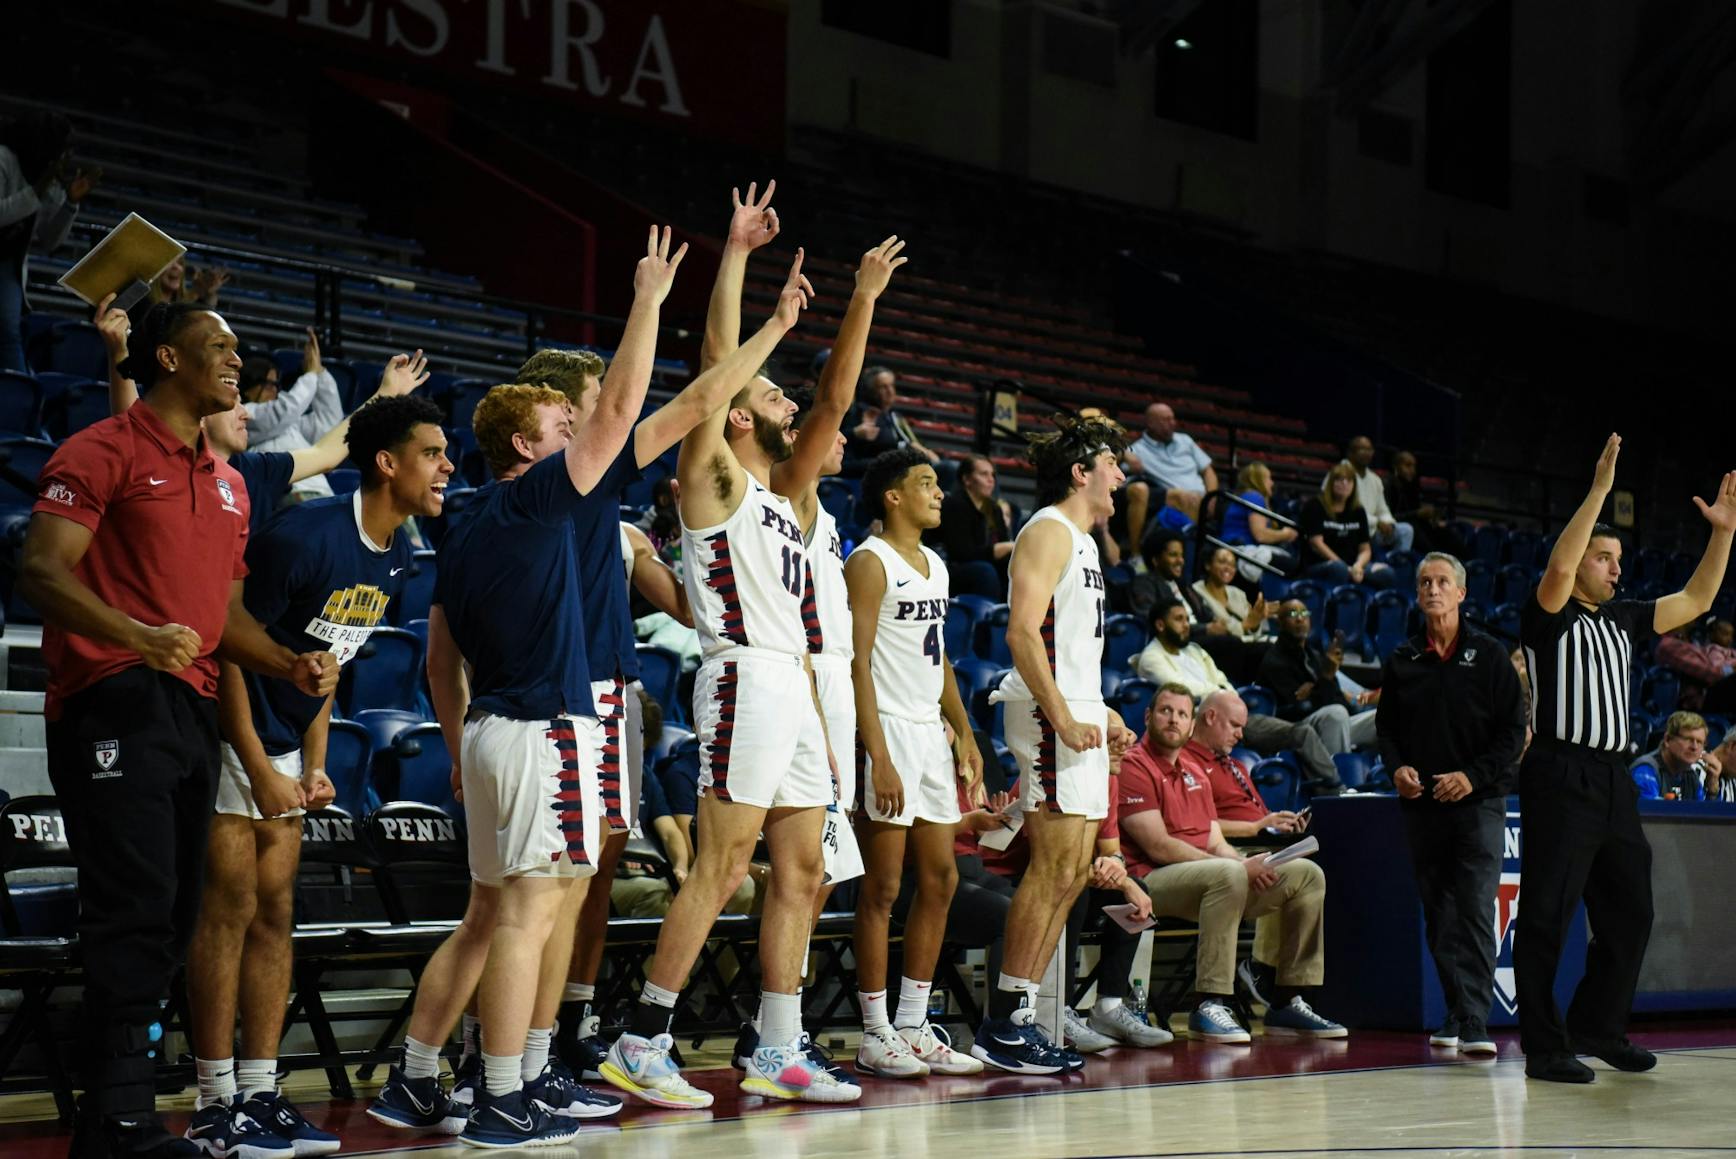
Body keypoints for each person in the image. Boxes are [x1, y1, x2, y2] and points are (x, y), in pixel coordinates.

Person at [363, 227, 689, 1147]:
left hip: (492, 731)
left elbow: (440, 658)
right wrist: (648, 300)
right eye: (562, 429)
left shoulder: (463, 526)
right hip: (547, 727)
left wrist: (461, 743)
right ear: (525, 444)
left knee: (491, 914)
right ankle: (501, 1091)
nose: (581, 437)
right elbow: (624, 407)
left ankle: (420, 1081)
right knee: (530, 915)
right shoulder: (541, 498)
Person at [19, 301, 339, 1159]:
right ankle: (118, 1118)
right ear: (166, 357)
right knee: (134, 904)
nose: (237, 361)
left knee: (174, 907)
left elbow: (222, 615)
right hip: (112, 698)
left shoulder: (231, 481)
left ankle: (122, 1112)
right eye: (218, 348)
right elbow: (41, 571)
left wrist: (285, 663)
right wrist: (137, 635)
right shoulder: (100, 450)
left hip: (190, 706)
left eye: (238, 349)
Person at [601, 231, 859, 1108]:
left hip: (794, 682)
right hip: (744, 675)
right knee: (723, 862)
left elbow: (807, 399)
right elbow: (718, 362)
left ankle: (777, 1046)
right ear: (737, 415)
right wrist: (746, 268)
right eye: (770, 391)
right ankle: (643, 1036)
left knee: (803, 870)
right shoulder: (712, 477)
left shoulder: (788, 497)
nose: (785, 397)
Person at [183, 395, 450, 1158]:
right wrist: (257, 763)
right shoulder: (302, 536)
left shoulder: (399, 556)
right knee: (228, 907)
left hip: (289, 748)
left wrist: (320, 764)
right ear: (387, 463)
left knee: (275, 912)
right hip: (230, 733)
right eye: (431, 452)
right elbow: (226, 643)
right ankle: (213, 1101)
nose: (446, 465)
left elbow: (327, 663)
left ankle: (262, 1092)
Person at [1514, 435, 1735, 1083]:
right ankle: (1544, 1044)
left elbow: (1696, 601)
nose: (1615, 568)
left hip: (1612, 778)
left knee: (1632, 910)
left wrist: (1723, 534)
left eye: (1617, 558)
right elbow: (1557, 571)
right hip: (1559, 771)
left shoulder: (1627, 619)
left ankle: (1598, 1026)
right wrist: (1600, 491)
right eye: (1603, 557)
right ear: (1580, 560)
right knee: (1548, 913)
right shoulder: (1548, 615)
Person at [971, 415, 1136, 1074]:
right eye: (1111, 464)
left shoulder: (1088, 543)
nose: (1120, 475)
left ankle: (1020, 1018)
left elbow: (1071, 645)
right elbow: (1020, 633)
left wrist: (1102, 708)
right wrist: (1064, 714)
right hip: (1047, 715)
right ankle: (1004, 1023)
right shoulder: (1045, 529)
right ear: (1080, 472)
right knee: (1053, 867)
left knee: (1071, 873)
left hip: (1076, 709)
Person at [847, 448, 985, 1078]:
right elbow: (856, 663)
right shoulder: (868, 563)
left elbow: (941, 658)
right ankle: (874, 1032)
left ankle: (912, 1022)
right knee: (881, 889)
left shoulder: (935, 564)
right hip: (889, 732)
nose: (939, 493)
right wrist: (875, 753)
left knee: (942, 880)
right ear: (892, 497)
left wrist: (964, 730)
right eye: (926, 483)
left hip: (930, 733)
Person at [1102, 686, 1345, 1043]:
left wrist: (1251, 863)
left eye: (1182, 714)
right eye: (1166, 711)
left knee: (1307, 875)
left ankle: (1286, 999)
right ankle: (1209, 1003)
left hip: (1213, 881)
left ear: (1191, 724)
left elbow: (1214, 839)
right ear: (1148, 717)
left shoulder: (1195, 771)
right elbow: (1159, 845)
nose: (1173, 720)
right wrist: (1237, 868)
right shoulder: (1135, 765)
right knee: (1229, 872)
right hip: (1150, 882)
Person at [1376, 552, 1526, 1058]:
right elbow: (1387, 730)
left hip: (1478, 804)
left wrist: (1472, 776)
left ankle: (1477, 1020)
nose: (1433, 589)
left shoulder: (1490, 655)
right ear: (1417, 594)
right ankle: (1457, 1010)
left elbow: (1513, 733)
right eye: (1424, 582)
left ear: (1462, 593)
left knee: (1476, 909)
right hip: (1422, 806)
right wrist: (1396, 769)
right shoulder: (1402, 660)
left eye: (1442, 582)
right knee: (1439, 915)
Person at [1134, 598, 1344, 797]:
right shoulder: (1151, 658)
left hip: (1232, 717)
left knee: (1302, 733)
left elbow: (1222, 679)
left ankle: (1337, 790)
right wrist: (1219, 692)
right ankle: (1337, 793)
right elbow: (1184, 691)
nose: (1187, 625)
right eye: (1179, 619)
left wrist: (1220, 692)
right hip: (1202, 723)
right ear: (1160, 625)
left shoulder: (1194, 650)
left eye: (1187, 619)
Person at [0, 109, 94, 371]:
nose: (66, 157)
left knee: (8, 332)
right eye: (63, 150)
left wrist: (71, 204)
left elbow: (50, 240)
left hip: (9, 261)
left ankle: (19, 391)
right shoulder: (3, 159)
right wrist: (35, 192)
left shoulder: (47, 178)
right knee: (7, 333)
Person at [1259, 599, 1378, 756]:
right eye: (1292, 614)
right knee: (1336, 713)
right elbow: (1298, 709)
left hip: (1334, 723)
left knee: (1386, 715)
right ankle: (1338, 779)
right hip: (1299, 730)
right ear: (1280, 623)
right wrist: (1325, 679)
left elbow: (1335, 699)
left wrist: (1317, 687)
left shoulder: (1314, 655)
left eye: (1304, 613)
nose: (1300, 618)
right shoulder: (1274, 660)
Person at [1119, 402, 1216, 537]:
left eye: (1173, 418)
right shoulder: (1138, 451)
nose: (1173, 423)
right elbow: (1123, 478)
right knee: (1187, 498)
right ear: (1151, 423)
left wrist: (1211, 497)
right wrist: (1125, 456)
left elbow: (1208, 470)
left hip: (1204, 499)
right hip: (1175, 503)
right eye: (1166, 419)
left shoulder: (1185, 440)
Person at [926, 453, 1014, 598]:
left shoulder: (994, 508)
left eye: (992, 475)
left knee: (1015, 568)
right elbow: (961, 554)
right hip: (951, 568)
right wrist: (997, 550)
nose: (991, 480)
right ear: (967, 479)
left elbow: (1004, 543)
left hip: (986, 565)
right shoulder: (953, 505)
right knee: (985, 571)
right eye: (984, 474)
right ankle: (983, 618)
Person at [1300, 463, 1393, 588]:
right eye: (1339, 480)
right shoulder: (1315, 505)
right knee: (1338, 569)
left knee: (1387, 573)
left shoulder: (1358, 511)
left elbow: (1365, 548)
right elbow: (1317, 543)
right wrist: (1344, 567)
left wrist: (1358, 566)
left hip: (1353, 566)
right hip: (1323, 564)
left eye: (1349, 481)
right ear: (1330, 483)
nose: (1345, 484)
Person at [843, 365, 941, 476]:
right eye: (883, 387)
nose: (890, 391)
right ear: (870, 391)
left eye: (891, 385)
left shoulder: (894, 415)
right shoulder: (859, 412)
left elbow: (907, 441)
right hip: (870, 469)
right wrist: (855, 433)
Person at [1325, 437, 1413, 553]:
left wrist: (1389, 523)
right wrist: (1377, 522)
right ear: (1351, 452)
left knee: (1406, 530)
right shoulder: (1339, 474)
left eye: (1370, 449)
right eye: (1362, 449)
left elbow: (1382, 509)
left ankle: (1395, 559)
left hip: (1374, 531)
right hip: (1348, 528)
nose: (1367, 453)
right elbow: (1346, 509)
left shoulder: (1375, 479)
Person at [1220, 462, 1299, 578]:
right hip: (1238, 549)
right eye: (1269, 478)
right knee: (1295, 566)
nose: (1272, 483)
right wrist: (1286, 534)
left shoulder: (1247, 496)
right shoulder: (1254, 496)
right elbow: (1260, 535)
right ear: (1258, 480)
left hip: (1236, 546)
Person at [1387, 451, 1466, 557]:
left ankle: (1468, 566)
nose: (1412, 470)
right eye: (1407, 465)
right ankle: (1434, 559)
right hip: (1401, 526)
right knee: (1416, 530)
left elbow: (1416, 510)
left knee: (1448, 533)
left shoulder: (1412, 485)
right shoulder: (1389, 485)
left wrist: (1432, 517)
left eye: (1414, 466)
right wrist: (1418, 513)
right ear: (1396, 466)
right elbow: (1391, 517)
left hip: (1416, 523)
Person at [1630, 711, 1716, 801]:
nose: (1694, 747)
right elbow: (1650, 812)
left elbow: (1703, 812)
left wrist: (1712, 791)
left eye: (1699, 742)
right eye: (1688, 739)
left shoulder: (1691, 776)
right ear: (1667, 740)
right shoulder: (1645, 770)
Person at [1193, 545, 1272, 641]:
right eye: (1222, 562)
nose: (1228, 568)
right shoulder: (1196, 591)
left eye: (1233, 565)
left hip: (1248, 645)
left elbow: (1253, 630)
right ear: (1208, 565)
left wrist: (1255, 622)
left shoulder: (1238, 593)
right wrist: (1246, 624)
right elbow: (1216, 629)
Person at [1654, 623, 1736, 713]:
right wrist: (1732, 668)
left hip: (1711, 691)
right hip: (1698, 700)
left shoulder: (1691, 641)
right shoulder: (1669, 645)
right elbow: (1711, 674)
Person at [148, 253, 228, 309]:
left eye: (180, 263)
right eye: (169, 262)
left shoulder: (186, 301)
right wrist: (195, 293)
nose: (178, 268)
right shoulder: (143, 303)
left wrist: (208, 294)